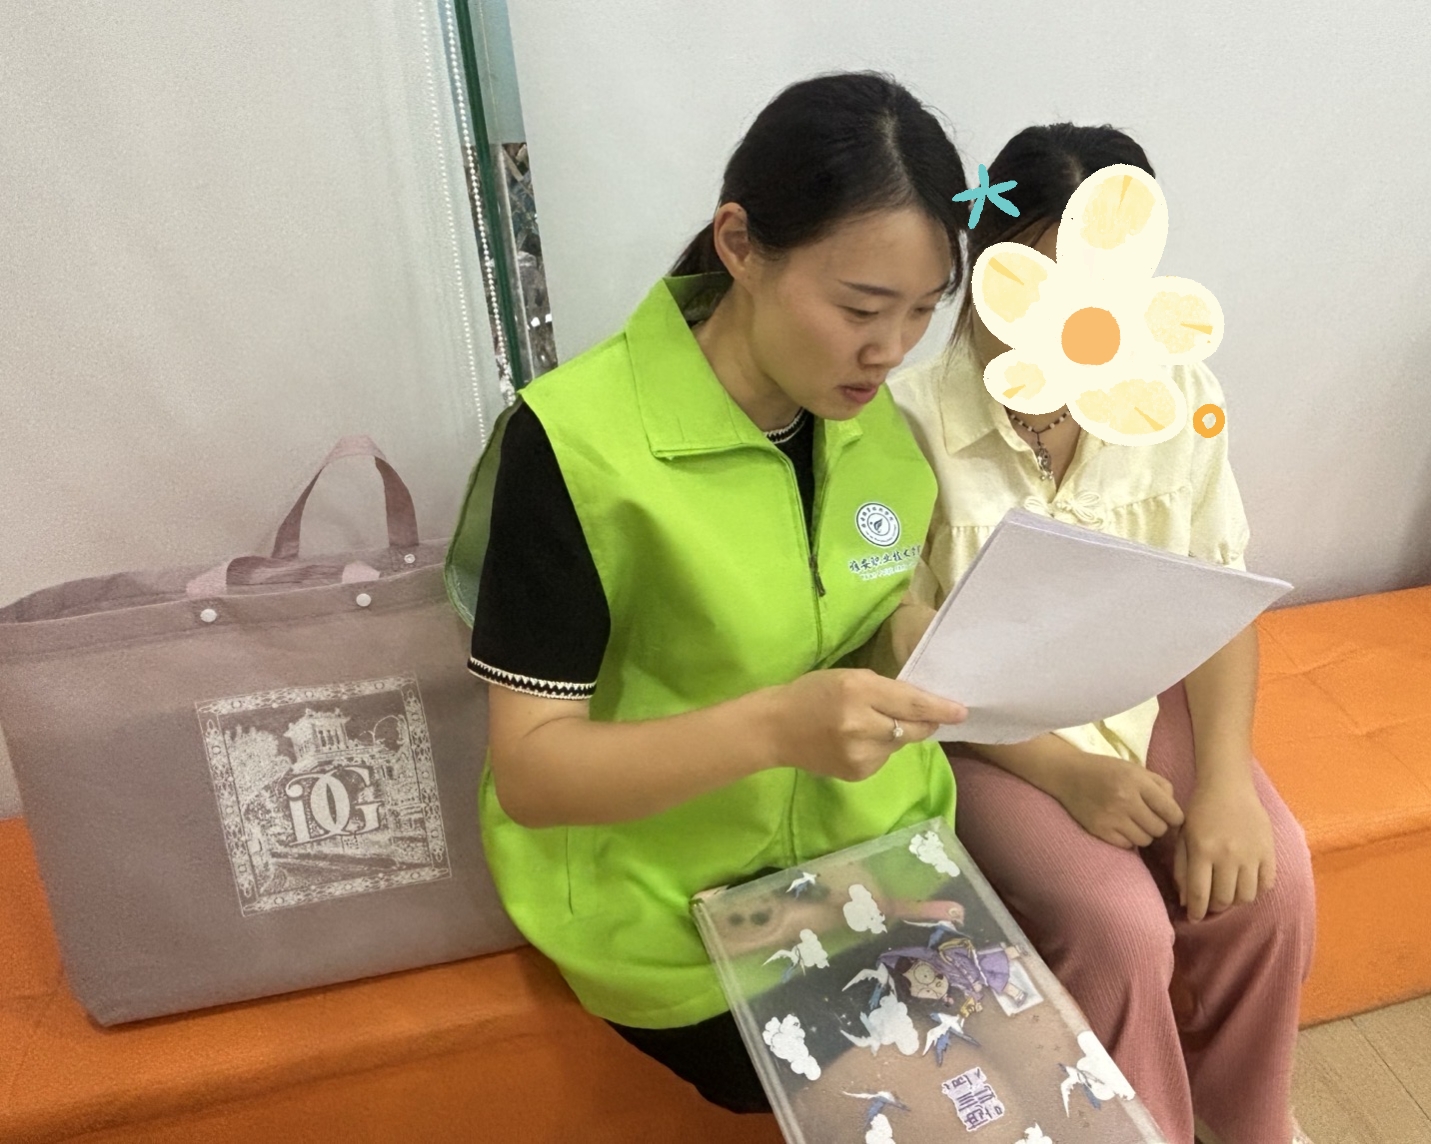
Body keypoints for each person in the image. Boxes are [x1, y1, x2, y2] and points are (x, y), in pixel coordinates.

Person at [453, 72, 973, 1114]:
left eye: (922, 312)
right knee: (923, 1098)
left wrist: (912, 634)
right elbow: (535, 774)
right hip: (667, 898)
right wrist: (777, 728)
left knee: (1029, 1057)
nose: (889, 350)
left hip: (870, 849)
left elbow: (853, 612)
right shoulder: (574, 448)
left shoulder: (876, 428)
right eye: (860, 307)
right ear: (739, 244)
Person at [887, 123, 1317, 1144]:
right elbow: (900, 638)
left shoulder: (1182, 397)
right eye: (1036, 282)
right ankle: (1138, 1127)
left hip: (1141, 689)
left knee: (1273, 881)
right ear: (988, 269)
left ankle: (1248, 1120)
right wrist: (1066, 771)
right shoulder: (907, 416)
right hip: (981, 727)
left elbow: (1218, 593)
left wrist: (1224, 783)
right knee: (1114, 924)